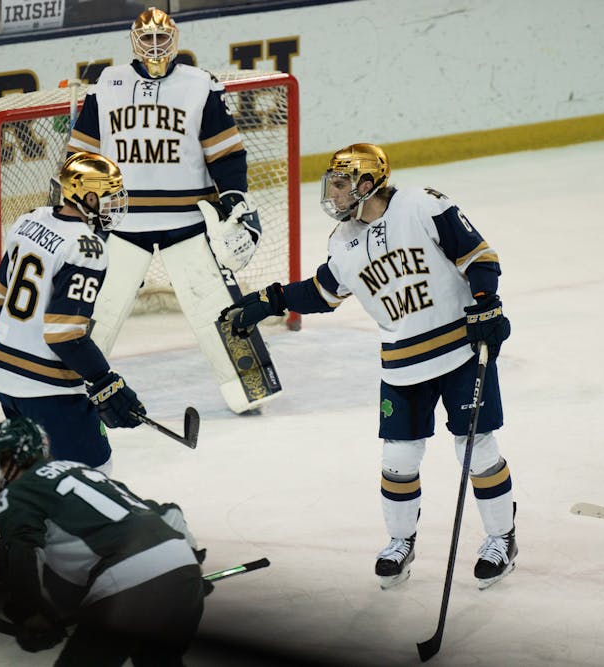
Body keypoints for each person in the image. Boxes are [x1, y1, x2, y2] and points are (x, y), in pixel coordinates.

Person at [219, 144, 517, 590]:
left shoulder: (421, 204)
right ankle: (400, 542)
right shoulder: (342, 242)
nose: (332, 195)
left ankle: (501, 538)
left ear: (365, 183)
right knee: (398, 460)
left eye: (339, 185)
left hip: (459, 351)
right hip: (401, 363)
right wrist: (271, 300)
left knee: (477, 449)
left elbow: (478, 256)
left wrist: (485, 302)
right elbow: (323, 293)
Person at [66, 6, 282, 415]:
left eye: (161, 38)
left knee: (218, 308)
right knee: (95, 309)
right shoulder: (105, 85)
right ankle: (66, 387)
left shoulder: (201, 85)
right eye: (145, 38)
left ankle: (250, 386)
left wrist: (234, 197)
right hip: (119, 221)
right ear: (133, 41)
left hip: (186, 220)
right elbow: (81, 156)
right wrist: (72, 212)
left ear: (175, 39)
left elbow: (226, 153)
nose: (154, 45)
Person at [0, 417, 206, 665]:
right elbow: (168, 513)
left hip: (127, 586)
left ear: (15, 457)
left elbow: (23, 552)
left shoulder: (19, 492)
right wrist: (188, 562)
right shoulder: (82, 471)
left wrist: (30, 613)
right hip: (183, 570)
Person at [0, 152, 147, 472]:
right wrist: (105, 380)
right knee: (95, 472)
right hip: (45, 388)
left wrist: (25, 348)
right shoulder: (87, 247)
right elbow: (64, 336)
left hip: (2, 375)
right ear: (89, 197)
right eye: (109, 197)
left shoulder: (30, 219)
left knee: (38, 472)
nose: (115, 206)